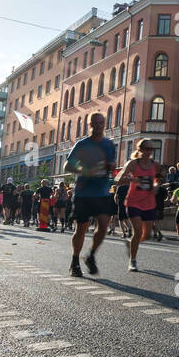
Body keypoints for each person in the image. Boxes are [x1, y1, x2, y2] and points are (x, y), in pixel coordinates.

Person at [65, 112, 118, 277]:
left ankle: (91, 255)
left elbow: (111, 165)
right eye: (95, 123)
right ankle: (75, 261)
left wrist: (111, 167)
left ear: (105, 124)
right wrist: (87, 170)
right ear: (90, 125)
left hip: (102, 191)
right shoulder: (82, 144)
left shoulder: (109, 144)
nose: (98, 125)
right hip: (83, 192)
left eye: (101, 122)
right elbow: (68, 165)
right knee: (81, 228)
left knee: (103, 225)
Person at [116, 139, 160, 271]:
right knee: (138, 231)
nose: (149, 152)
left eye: (151, 149)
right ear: (139, 149)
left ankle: (131, 244)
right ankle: (132, 261)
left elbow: (161, 177)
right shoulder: (133, 164)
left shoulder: (155, 165)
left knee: (147, 235)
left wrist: (157, 185)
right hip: (133, 201)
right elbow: (117, 179)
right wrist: (130, 179)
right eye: (146, 149)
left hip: (149, 202)